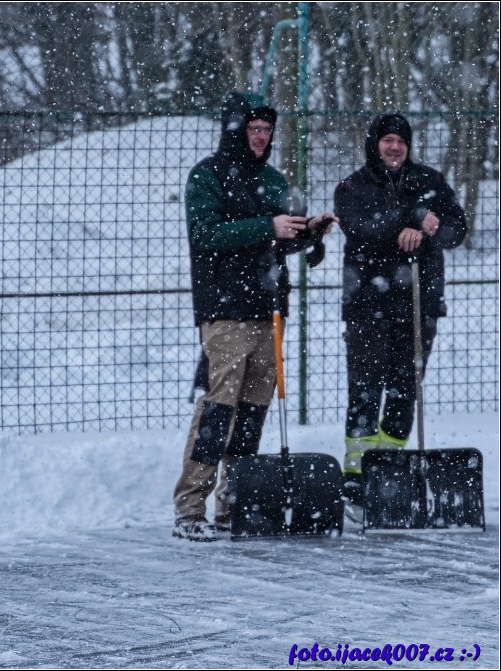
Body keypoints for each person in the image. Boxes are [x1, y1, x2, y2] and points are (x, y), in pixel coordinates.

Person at [173, 91, 335, 542]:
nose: (261, 137)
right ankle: (190, 508)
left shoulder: (273, 179)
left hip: (269, 309)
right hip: (225, 310)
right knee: (219, 407)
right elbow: (205, 235)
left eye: (267, 129)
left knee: (252, 411)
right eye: (253, 128)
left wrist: (309, 233)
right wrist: (268, 226)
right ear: (235, 129)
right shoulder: (206, 176)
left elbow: (282, 239)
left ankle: (234, 501)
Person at [333, 113, 466, 518]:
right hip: (368, 306)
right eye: (388, 140)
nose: (395, 147)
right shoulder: (352, 187)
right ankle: (356, 476)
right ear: (375, 144)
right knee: (366, 387)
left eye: (401, 141)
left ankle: (390, 468)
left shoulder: (430, 181)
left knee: (405, 388)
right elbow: (362, 230)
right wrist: (410, 218)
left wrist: (429, 229)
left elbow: (456, 229)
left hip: (419, 305)